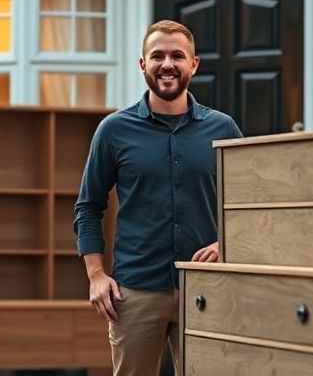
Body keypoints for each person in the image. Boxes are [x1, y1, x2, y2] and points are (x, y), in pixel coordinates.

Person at [73, 20, 243, 375]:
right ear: (142, 65)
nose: (167, 64)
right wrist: (95, 275)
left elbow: (250, 203)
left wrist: (227, 243)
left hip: (206, 288)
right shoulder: (114, 130)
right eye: (158, 56)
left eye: (177, 56)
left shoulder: (223, 129)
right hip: (135, 291)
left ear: (193, 64)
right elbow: (88, 206)